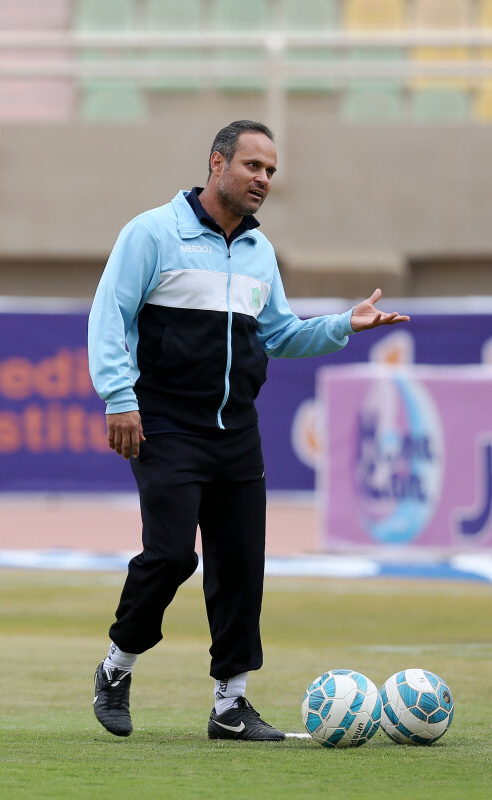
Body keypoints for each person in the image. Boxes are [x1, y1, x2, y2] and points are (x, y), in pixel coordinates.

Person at [87, 120, 409, 740]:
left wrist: (345, 323)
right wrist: (119, 398)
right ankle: (116, 666)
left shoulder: (261, 251)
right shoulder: (152, 232)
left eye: (271, 171)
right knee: (172, 556)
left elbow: (280, 335)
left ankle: (230, 705)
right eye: (253, 166)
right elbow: (109, 317)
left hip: (237, 431)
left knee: (240, 567)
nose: (263, 179)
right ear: (217, 163)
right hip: (166, 425)